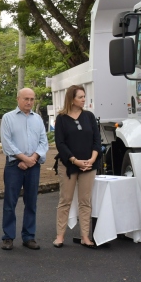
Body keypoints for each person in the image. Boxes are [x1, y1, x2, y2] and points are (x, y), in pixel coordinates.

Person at [0, 88, 49, 250]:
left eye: (32, 99)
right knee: (10, 202)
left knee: (31, 202)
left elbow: (43, 142)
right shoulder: (8, 118)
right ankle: (8, 237)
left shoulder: (38, 119)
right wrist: (23, 158)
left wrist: (32, 159)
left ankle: (29, 236)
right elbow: (7, 143)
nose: (29, 102)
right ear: (18, 99)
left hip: (33, 166)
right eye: (26, 99)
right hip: (15, 165)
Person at [53, 85, 102, 248]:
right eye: (80, 97)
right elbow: (60, 143)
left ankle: (85, 237)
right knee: (65, 200)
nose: (83, 99)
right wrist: (75, 160)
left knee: (85, 201)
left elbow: (97, 140)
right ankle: (60, 236)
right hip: (68, 165)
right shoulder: (61, 118)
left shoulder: (89, 116)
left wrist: (91, 159)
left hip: (89, 165)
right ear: (71, 99)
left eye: (84, 96)